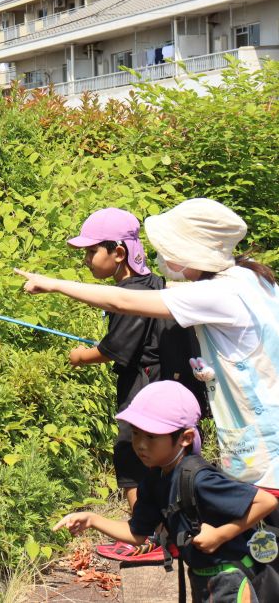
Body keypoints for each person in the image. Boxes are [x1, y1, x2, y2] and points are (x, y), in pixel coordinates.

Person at [17, 198, 279, 497]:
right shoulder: (249, 277)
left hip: (260, 431)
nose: (163, 254)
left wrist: (53, 284)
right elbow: (167, 292)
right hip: (266, 415)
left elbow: (122, 301)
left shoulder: (217, 293)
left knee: (261, 523)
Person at [53, 381, 278, 603]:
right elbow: (137, 534)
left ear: (185, 438)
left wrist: (221, 535)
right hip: (201, 578)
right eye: (136, 434)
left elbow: (266, 501)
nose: (140, 444)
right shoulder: (154, 479)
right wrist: (92, 519)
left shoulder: (200, 479)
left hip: (230, 577)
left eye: (151, 436)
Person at [63, 208, 200, 562]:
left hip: (143, 386)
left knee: (133, 455)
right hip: (162, 382)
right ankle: (162, 532)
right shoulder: (152, 284)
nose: (87, 260)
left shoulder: (129, 293)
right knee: (158, 459)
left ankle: (145, 538)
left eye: (92, 252)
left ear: (118, 252)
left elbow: (114, 349)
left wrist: (80, 355)